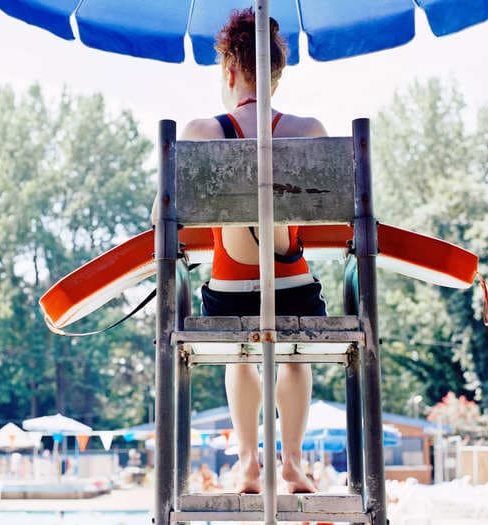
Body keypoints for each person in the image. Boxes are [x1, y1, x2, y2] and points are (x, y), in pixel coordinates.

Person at [153, 8, 326, 494]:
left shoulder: (202, 132)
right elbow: (336, 218)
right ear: (278, 73)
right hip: (294, 290)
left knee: (238, 356)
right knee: (295, 357)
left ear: (229, 71)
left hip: (228, 294)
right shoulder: (308, 130)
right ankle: (292, 463)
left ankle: (249, 462)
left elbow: (162, 216)